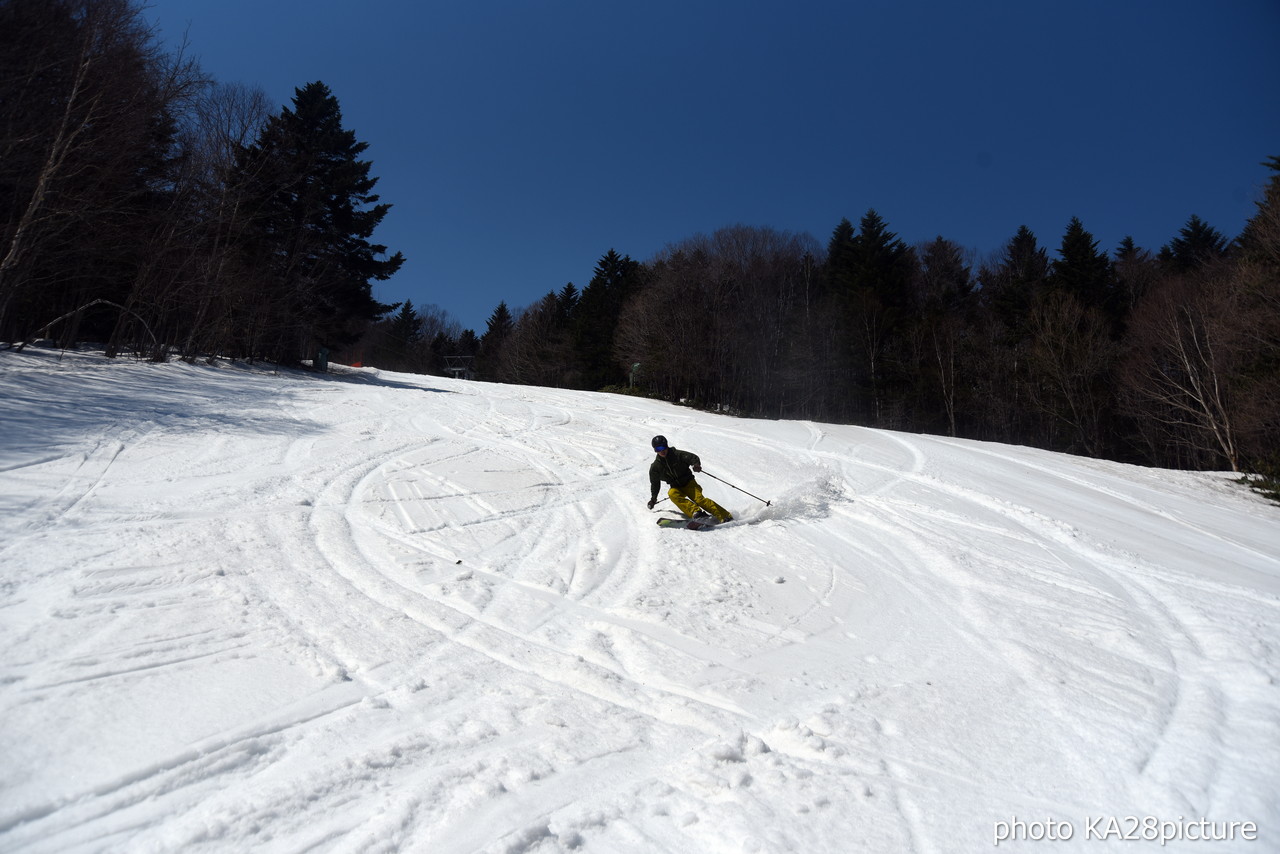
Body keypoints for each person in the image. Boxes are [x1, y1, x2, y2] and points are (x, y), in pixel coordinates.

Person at [646, 435, 733, 523]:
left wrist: (696, 464)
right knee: (672, 494)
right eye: (658, 449)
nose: (662, 451)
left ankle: (725, 516)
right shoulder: (655, 467)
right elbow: (655, 483)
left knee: (700, 500)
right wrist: (653, 499)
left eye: (662, 447)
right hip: (676, 487)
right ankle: (696, 513)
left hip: (689, 483)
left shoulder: (677, 455)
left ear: (666, 445)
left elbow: (693, 457)